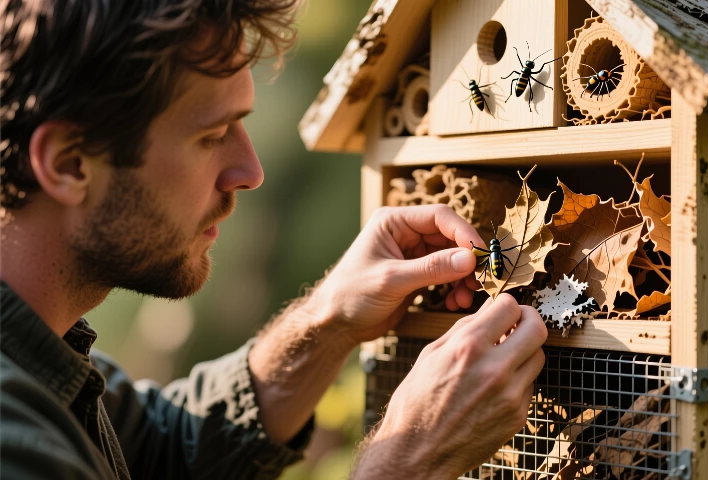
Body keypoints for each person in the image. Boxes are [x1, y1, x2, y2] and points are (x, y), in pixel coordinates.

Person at [0, 1, 548, 479]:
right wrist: (408, 459)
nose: (250, 170)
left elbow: (163, 449)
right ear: (70, 164)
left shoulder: (50, 361)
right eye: (211, 135)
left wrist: (327, 321)